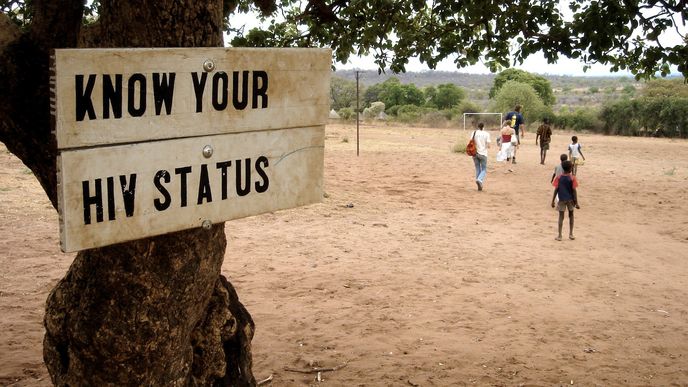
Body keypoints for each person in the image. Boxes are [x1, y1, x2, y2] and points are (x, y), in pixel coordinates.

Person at [551, 160, 579, 241]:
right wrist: (576, 202)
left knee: (561, 217)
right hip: (570, 200)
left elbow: (556, 189)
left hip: (561, 199)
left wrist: (552, 200)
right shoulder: (572, 178)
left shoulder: (559, 177)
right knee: (571, 215)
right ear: (570, 168)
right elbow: (574, 190)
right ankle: (571, 234)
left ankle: (559, 235)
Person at [471, 122, 491, 191]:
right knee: (484, 169)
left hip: (475, 153)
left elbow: (471, 141)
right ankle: (479, 180)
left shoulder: (474, 132)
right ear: (483, 126)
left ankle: (478, 183)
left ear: (478, 126)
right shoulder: (487, 134)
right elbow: (488, 145)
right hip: (483, 153)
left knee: (477, 168)